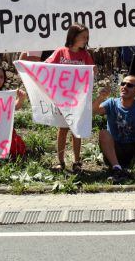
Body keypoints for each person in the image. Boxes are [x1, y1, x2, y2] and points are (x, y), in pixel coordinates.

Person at [45, 22, 95, 172]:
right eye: (83, 36)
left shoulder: (85, 55)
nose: (86, 40)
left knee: (76, 130)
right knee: (63, 129)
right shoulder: (61, 52)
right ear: (73, 36)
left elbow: (92, 72)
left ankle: (76, 162)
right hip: (62, 98)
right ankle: (60, 161)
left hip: (78, 99)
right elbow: (47, 66)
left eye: (87, 37)